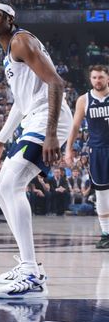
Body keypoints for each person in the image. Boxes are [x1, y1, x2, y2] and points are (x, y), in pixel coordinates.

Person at [0, 2, 73, 299]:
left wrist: (50, 134)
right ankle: (28, 264)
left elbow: (56, 83)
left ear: (10, 19)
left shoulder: (21, 41)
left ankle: (31, 273)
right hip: (34, 119)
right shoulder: (9, 53)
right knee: (0, 188)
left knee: (11, 185)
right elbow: (21, 104)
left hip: (49, 119)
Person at [65, 64, 109, 249]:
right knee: (102, 194)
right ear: (90, 79)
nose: (97, 80)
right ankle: (106, 233)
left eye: (101, 77)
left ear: (108, 78)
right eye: (94, 77)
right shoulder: (84, 100)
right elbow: (75, 126)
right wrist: (68, 149)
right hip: (97, 150)